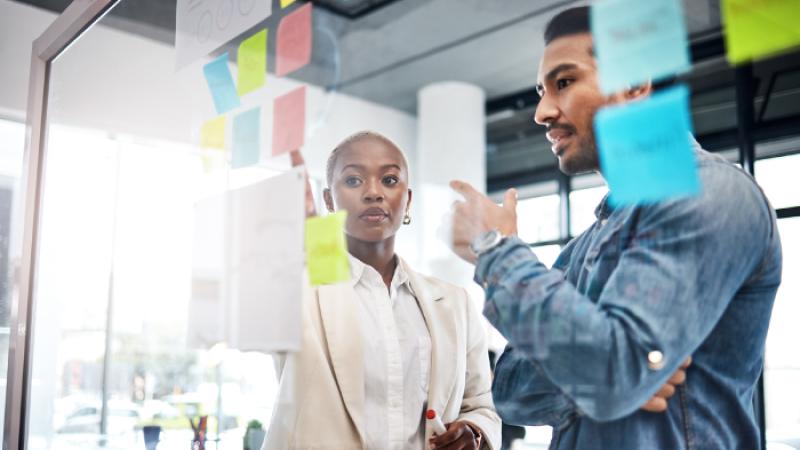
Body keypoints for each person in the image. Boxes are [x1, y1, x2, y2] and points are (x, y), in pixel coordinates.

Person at [445, 6, 782, 450]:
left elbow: (613, 372)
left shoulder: (708, 192)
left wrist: (495, 247)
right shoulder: (583, 244)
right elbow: (509, 389)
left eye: (564, 82)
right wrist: (598, 376)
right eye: (542, 91)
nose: (542, 112)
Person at [263, 131, 501, 450]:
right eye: (353, 180)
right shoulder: (297, 290)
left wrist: (473, 431)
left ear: (408, 200)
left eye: (389, 180)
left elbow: (482, 405)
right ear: (329, 200)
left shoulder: (455, 303)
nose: (374, 192)